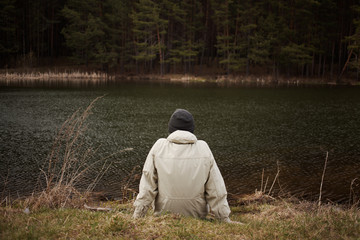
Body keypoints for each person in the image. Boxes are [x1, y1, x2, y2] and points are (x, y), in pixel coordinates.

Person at [132, 109, 232, 222]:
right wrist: (223, 218)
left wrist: (138, 216)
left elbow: (147, 187)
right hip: (197, 216)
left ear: (171, 128)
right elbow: (216, 189)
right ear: (191, 129)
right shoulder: (203, 148)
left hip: (163, 215)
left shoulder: (159, 146)